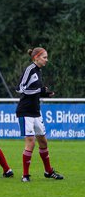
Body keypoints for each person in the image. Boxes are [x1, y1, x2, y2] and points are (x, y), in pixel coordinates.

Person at [16, 47, 64, 182]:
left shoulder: (38, 71)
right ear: (36, 57)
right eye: (44, 57)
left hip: (36, 112)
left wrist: (44, 93)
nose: (46, 60)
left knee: (43, 141)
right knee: (30, 142)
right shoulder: (30, 69)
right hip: (25, 111)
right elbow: (21, 88)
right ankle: (25, 175)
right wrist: (39, 90)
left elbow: (34, 90)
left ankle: (48, 171)